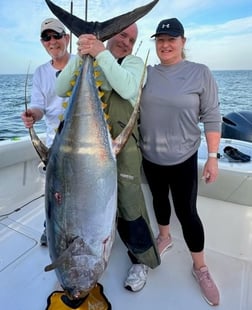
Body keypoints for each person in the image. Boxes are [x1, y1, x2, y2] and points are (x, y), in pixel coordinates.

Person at [55, 23, 160, 292]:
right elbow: (60, 88)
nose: (126, 42)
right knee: (82, 202)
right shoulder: (89, 60)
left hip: (121, 149)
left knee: (129, 204)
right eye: (122, 34)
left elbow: (127, 88)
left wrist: (100, 52)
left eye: (132, 39)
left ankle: (140, 259)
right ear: (112, 35)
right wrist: (82, 54)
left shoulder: (133, 63)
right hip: (82, 151)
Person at [139, 18, 221, 306]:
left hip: (184, 158)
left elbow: (211, 115)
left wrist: (212, 157)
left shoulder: (200, 73)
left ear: (183, 42)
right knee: (160, 201)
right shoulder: (145, 73)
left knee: (187, 212)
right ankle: (164, 237)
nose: (165, 45)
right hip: (150, 157)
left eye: (171, 39)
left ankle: (200, 267)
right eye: (160, 40)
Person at [21, 18, 72, 246]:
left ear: (67, 39)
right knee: (56, 194)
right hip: (55, 146)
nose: (52, 41)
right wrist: (32, 113)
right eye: (46, 37)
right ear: (43, 43)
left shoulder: (81, 64)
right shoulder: (41, 73)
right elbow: (39, 107)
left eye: (57, 36)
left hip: (83, 142)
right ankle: (51, 228)